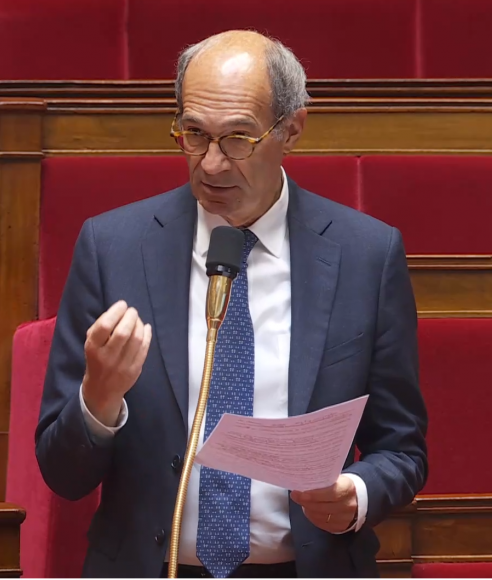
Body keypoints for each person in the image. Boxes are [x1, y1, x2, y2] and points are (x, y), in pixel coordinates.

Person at [35, 30, 427, 578]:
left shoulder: (367, 255)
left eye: (238, 138)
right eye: (194, 134)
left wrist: (357, 493)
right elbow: (63, 475)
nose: (212, 164)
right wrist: (98, 400)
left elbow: (402, 449)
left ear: (292, 128)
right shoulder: (113, 248)